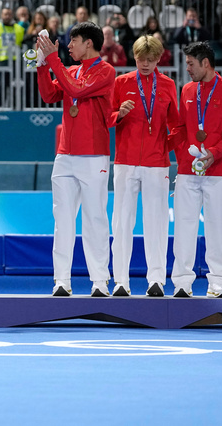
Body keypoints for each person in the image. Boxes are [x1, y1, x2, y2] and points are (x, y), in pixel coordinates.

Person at [35, 22, 117, 296]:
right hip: (65, 155)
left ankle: (99, 282)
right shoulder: (69, 70)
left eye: (74, 41)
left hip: (93, 155)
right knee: (63, 220)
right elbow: (48, 94)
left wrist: (53, 60)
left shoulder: (106, 71)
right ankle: (61, 281)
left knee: (94, 218)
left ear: (89, 44)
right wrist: (41, 66)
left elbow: (79, 91)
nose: (69, 46)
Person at [169, 41, 222, 298]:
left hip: (219, 172)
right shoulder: (187, 90)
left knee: (219, 228)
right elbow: (179, 128)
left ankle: (219, 283)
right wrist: (182, 158)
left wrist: (214, 153)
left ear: (205, 63)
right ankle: (181, 283)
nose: (187, 68)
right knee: (183, 228)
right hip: (188, 172)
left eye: (191, 63)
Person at [107, 35, 179, 297]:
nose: (145, 64)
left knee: (157, 222)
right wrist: (119, 115)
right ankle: (121, 282)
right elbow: (106, 119)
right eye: (140, 59)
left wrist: (164, 148)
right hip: (125, 162)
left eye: (150, 60)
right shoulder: (121, 83)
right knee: (122, 223)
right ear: (133, 57)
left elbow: (177, 126)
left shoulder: (169, 85)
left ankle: (156, 280)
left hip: (157, 164)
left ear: (159, 59)